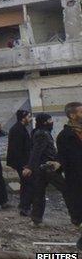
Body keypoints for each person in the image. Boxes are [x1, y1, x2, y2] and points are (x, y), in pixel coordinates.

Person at [23, 113, 73, 226]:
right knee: (67, 190)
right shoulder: (42, 134)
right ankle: (76, 218)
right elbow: (36, 152)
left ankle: (36, 219)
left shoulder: (41, 132)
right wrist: (29, 167)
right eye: (50, 120)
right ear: (44, 122)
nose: (52, 122)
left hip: (42, 168)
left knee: (39, 193)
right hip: (47, 168)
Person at [56, 102, 82, 250]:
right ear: (72, 115)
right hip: (77, 181)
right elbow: (63, 159)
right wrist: (57, 164)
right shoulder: (65, 136)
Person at [6, 110, 33, 216]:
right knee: (28, 184)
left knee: (26, 183)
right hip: (22, 163)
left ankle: (24, 205)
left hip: (22, 162)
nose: (30, 119)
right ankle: (25, 208)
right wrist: (24, 165)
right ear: (23, 118)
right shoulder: (18, 129)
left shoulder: (19, 128)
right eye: (29, 117)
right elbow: (16, 149)